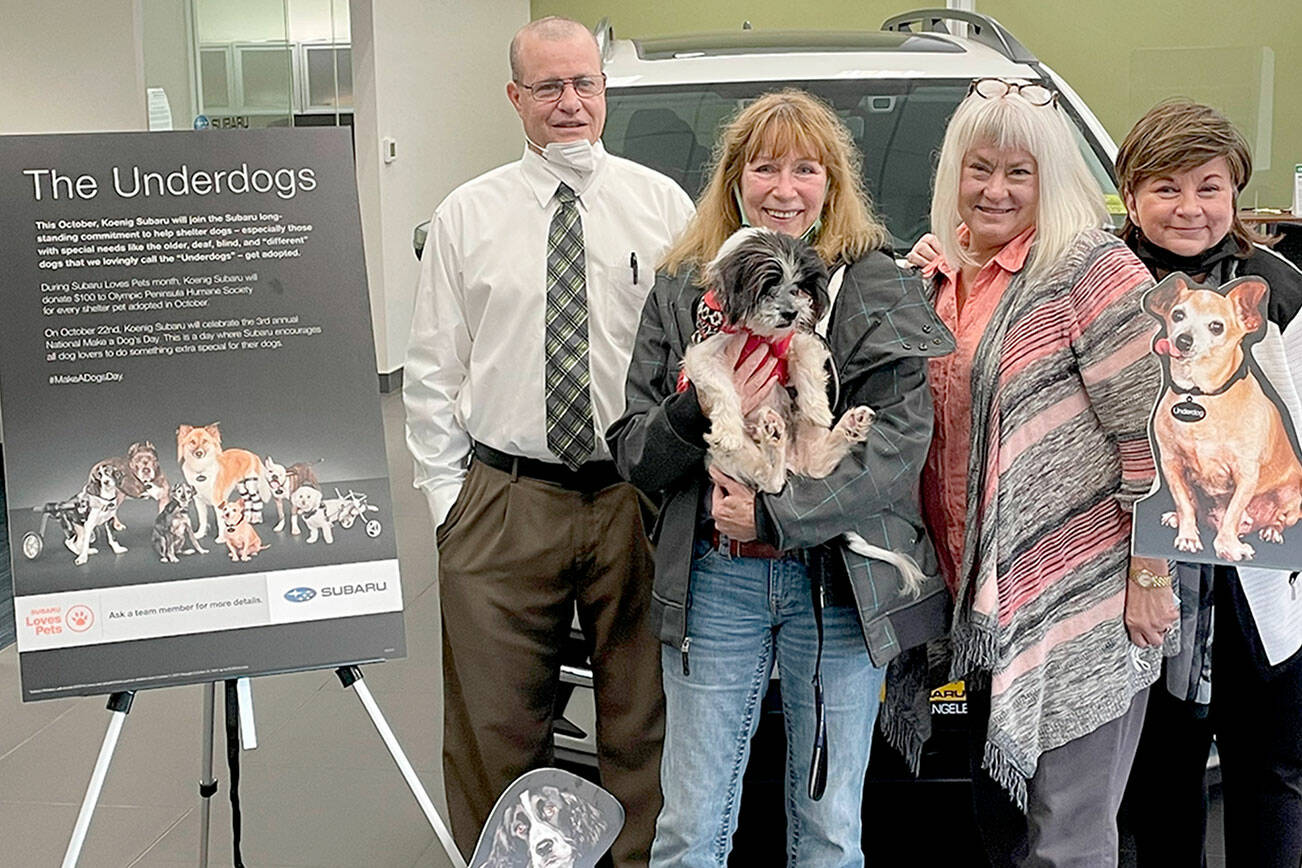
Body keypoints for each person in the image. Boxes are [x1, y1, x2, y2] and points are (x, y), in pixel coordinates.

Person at [608, 88, 954, 868]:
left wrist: (777, 515)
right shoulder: (682, 286)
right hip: (716, 582)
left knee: (829, 832)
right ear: (735, 179)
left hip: (839, 582)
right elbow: (634, 450)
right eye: (765, 167)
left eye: (807, 168)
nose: (785, 188)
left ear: (833, 182)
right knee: (690, 829)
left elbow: (898, 444)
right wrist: (697, 411)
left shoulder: (877, 284)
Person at [402, 17, 694, 866]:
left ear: (604, 90)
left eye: (585, 85)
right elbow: (430, 372)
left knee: (643, 720)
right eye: (550, 87)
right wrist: (448, 504)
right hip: (503, 501)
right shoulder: (468, 215)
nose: (571, 103)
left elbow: (691, 356)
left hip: (634, 497)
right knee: (496, 725)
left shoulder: (662, 206)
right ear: (516, 97)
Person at [905, 78, 1176, 866]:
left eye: (1018, 173)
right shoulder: (936, 278)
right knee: (1002, 831)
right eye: (979, 168)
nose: (995, 190)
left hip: (1084, 600)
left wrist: (1151, 577)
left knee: (1066, 839)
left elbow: (1154, 433)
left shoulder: (1091, 269)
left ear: (1050, 178)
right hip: (978, 608)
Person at [1113, 99, 1302, 868]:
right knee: (1158, 779)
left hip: (1262, 575)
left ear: (1236, 193)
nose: (1189, 207)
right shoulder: (1104, 283)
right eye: (1166, 187)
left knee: (1273, 773)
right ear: (1130, 195)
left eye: (1209, 186)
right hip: (1143, 577)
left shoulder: (1280, 287)